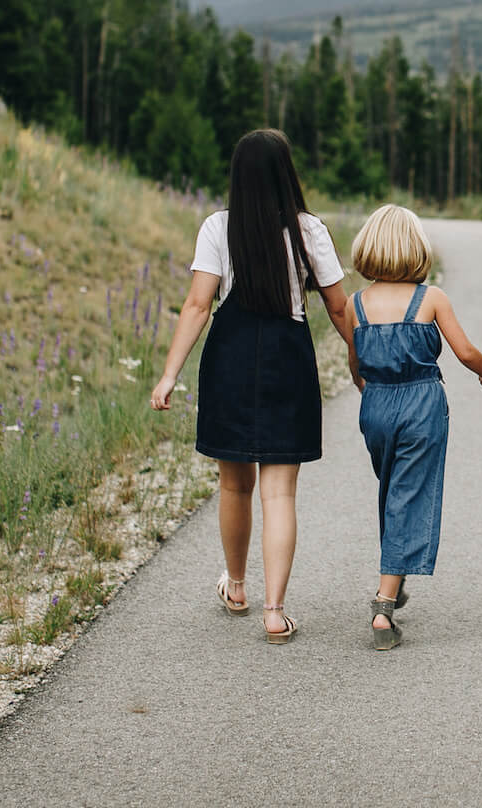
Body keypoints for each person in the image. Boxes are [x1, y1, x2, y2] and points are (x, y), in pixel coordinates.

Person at [150, 128, 355, 645]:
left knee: (234, 484)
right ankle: (275, 611)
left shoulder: (218, 227)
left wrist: (170, 372)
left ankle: (237, 586)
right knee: (280, 491)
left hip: (231, 359)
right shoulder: (310, 231)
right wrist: (361, 357)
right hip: (288, 358)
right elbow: (337, 306)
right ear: (288, 175)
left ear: (237, 177)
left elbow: (198, 305)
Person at [346, 204, 482, 650]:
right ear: (417, 250)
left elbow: (355, 367)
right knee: (409, 493)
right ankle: (383, 606)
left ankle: (394, 584)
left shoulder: (354, 304)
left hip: (376, 403)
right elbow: (466, 352)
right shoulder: (431, 299)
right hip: (421, 402)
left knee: (391, 490)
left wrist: (375, 398)